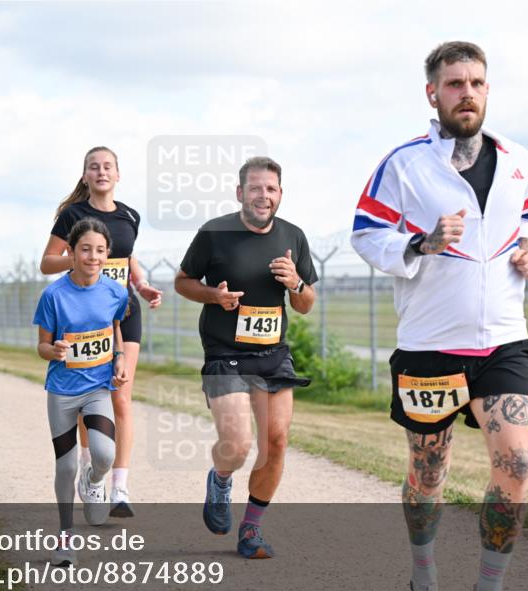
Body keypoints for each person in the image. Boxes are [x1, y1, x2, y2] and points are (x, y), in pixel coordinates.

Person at [350, 41, 528, 591]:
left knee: (516, 465)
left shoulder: (518, 161)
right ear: (432, 93)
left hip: (503, 341)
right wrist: (420, 243)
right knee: (427, 474)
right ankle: (424, 580)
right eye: (455, 83)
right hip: (430, 346)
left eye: (477, 83)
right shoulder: (404, 164)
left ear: (487, 90)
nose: (468, 93)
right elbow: (365, 234)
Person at [174, 156, 317, 559]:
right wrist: (213, 296)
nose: (263, 196)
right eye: (255, 188)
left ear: (280, 194)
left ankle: (251, 528)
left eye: (270, 189)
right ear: (240, 192)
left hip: (273, 354)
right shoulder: (214, 233)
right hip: (225, 353)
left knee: (276, 441)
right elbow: (182, 282)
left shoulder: (293, 237)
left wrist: (296, 282)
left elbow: (306, 304)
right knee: (237, 444)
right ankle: (221, 479)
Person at [40, 146, 162, 518]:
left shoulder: (130, 215)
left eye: (108, 166)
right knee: (86, 398)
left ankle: (119, 487)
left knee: (121, 397)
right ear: (85, 175)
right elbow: (47, 262)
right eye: (94, 167)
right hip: (84, 315)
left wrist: (141, 284)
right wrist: (82, 259)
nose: (102, 171)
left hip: (123, 310)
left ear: (118, 174)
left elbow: (126, 257)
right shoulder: (72, 215)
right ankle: (90, 470)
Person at [33, 218, 128, 566]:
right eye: (85, 249)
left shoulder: (116, 292)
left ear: (107, 254)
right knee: (65, 467)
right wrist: (54, 350)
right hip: (62, 391)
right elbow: (41, 346)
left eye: (100, 250)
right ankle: (65, 538)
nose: (93, 257)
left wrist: (119, 357)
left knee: (104, 454)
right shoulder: (53, 295)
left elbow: (115, 329)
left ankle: (94, 479)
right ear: (71, 252)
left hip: (98, 388)